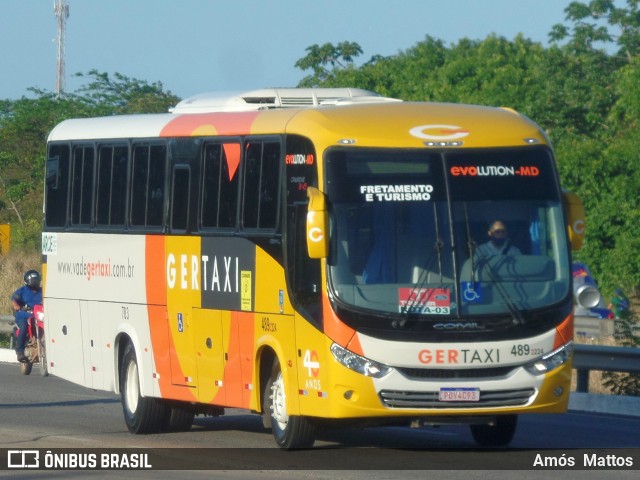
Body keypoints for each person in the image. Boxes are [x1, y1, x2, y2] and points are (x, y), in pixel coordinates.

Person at [11, 269, 42, 363]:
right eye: (33, 280)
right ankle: (20, 351)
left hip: (37, 315)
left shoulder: (42, 291)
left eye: (36, 279)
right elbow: (14, 300)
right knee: (24, 327)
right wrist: (17, 306)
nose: (35, 282)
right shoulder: (22, 291)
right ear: (27, 280)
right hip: (24, 315)